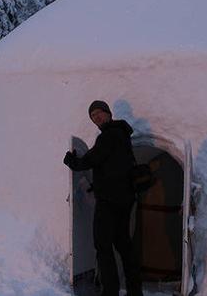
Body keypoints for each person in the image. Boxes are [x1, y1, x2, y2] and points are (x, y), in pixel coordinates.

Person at [63, 100, 143, 296]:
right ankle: (135, 291)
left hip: (109, 201)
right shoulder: (122, 134)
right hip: (123, 199)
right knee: (124, 245)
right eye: (93, 116)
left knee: (103, 246)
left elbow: (91, 159)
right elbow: (110, 166)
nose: (97, 117)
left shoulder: (110, 135)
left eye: (99, 112)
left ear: (108, 113)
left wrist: (73, 161)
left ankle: (110, 292)